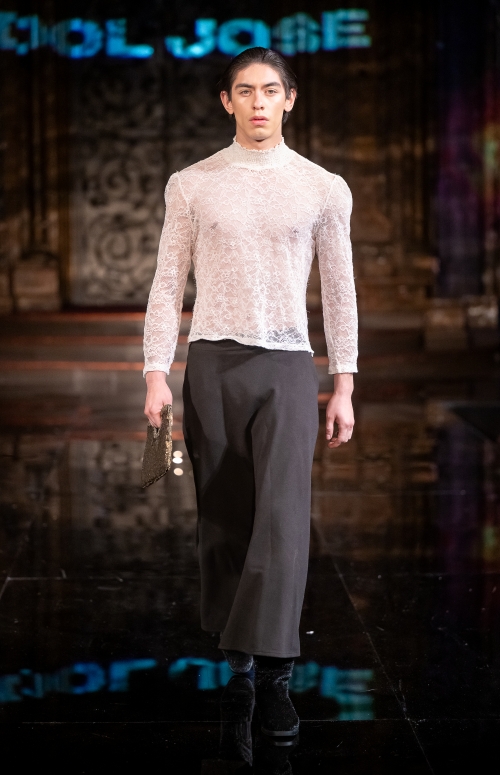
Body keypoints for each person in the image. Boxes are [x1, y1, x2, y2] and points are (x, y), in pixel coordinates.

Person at [143, 47, 357, 737]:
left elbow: (340, 292)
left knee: (284, 516)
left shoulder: (323, 188)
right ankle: (238, 663)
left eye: (270, 90)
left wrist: (344, 382)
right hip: (212, 362)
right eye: (245, 90)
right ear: (226, 100)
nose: (258, 102)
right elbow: (167, 284)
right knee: (224, 514)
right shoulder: (192, 184)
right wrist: (155, 371)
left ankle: (276, 674)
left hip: (289, 364)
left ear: (290, 98)